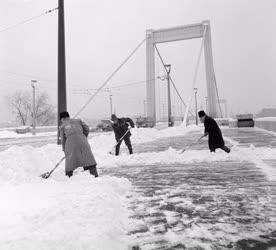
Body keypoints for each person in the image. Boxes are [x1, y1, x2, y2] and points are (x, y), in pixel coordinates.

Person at [59, 111, 98, 178]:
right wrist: (83, 137)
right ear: (68, 116)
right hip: (83, 142)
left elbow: (63, 140)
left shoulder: (62, 126)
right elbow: (87, 129)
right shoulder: (78, 121)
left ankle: (68, 177)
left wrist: (65, 150)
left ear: (62, 119)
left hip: (71, 145)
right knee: (88, 159)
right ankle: (94, 175)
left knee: (70, 162)